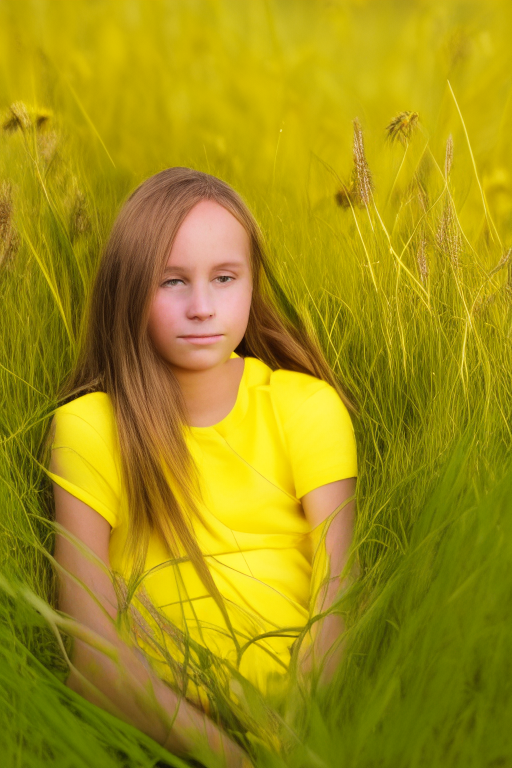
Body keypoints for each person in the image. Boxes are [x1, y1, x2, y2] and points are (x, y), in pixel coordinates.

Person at [40, 167, 358, 767]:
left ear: (251, 285)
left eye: (224, 278)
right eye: (171, 281)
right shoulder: (91, 427)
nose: (202, 307)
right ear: (128, 290)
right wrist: (229, 758)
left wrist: (292, 740)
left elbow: (337, 598)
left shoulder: (306, 408)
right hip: (150, 732)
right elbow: (92, 656)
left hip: (297, 735)